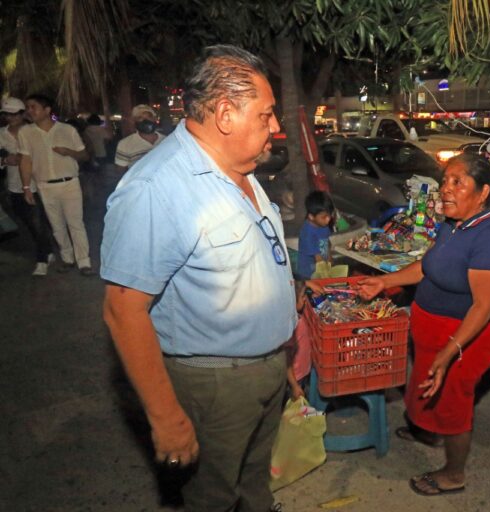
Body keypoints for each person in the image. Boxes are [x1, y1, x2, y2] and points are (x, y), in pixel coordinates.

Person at [101, 45, 294, 512]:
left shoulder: (239, 170)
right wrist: (166, 417)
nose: (276, 128)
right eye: (267, 115)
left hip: (264, 372)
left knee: (253, 486)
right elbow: (123, 310)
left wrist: (277, 350)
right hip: (214, 386)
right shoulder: (158, 187)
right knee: (212, 498)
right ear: (225, 114)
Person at [357, 153, 490, 496]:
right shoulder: (452, 224)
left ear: (483, 192)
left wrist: (448, 352)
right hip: (432, 333)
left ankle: (453, 473)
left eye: (458, 182)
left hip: (462, 341)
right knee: (424, 386)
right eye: (445, 181)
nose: (446, 189)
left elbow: (485, 306)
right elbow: (426, 267)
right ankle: (424, 428)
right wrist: (385, 282)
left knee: (454, 407)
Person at [18, 94, 94, 276]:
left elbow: (84, 155)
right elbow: (25, 160)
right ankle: (67, 258)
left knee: (75, 223)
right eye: (28, 107)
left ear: (47, 110)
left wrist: (69, 152)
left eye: (33, 107)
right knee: (57, 225)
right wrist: (26, 187)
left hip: (69, 182)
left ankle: (84, 261)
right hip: (44, 185)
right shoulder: (25, 132)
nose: (29, 111)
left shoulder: (67, 130)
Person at [0, 96, 55, 275]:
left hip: (39, 183)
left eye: (14, 114)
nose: (11, 118)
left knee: (39, 221)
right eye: (7, 114)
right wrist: (5, 160)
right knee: (28, 222)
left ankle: (41, 260)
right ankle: (47, 249)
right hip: (15, 185)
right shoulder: (2, 134)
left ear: (23, 114)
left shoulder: (35, 131)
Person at [114, 104, 165, 171]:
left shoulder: (166, 140)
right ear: (134, 121)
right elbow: (120, 171)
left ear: (154, 118)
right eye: (140, 118)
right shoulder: (125, 144)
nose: (145, 120)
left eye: (149, 116)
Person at [297, 190, 334, 280]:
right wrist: (326, 273)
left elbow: (327, 242)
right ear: (311, 217)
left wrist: (329, 257)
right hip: (308, 273)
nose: (328, 219)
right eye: (324, 217)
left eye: (329, 215)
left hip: (321, 266)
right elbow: (318, 259)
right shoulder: (307, 233)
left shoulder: (323, 225)